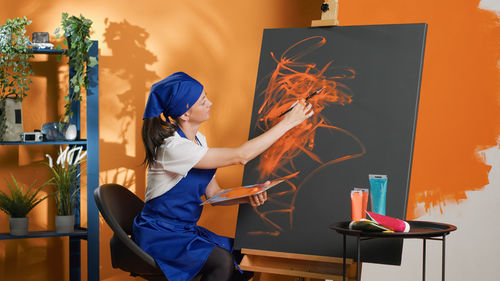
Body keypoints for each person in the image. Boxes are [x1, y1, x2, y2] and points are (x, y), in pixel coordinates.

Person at [133, 72, 313, 281]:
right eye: (202, 101)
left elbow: (215, 194)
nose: (210, 102)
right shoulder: (173, 148)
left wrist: (247, 196)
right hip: (161, 236)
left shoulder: (199, 140)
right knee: (222, 261)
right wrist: (288, 123)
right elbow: (242, 156)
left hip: (184, 232)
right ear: (185, 114)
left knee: (244, 257)